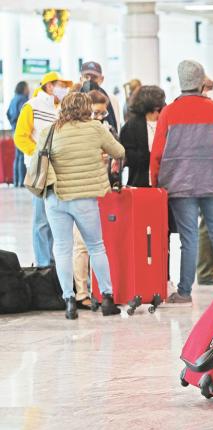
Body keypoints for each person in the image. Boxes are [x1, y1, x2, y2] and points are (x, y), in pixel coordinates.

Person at [150, 60, 213, 304]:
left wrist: (157, 182)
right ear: (201, 82)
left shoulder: (169, 112)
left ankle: (185, 291)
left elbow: (157, 152)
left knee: (188, 238)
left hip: (180, 183)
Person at [37, 92, 125, 319]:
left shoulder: (50, 131)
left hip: (55, 198)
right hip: (85, 199)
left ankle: (69, 300)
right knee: (95, 246)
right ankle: (107, 298)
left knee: (63, 248)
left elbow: (38, 161)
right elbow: (120, 151)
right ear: (87, 108)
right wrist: (99, 154)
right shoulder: (96, 128)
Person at [14, 71, 73, 267]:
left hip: (59, 169)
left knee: (57, 217)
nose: (64, 89)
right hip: (40, 171)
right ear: (49, 86)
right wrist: (39, 154)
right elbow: (20, 137)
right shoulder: (32, 106)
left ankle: (54, 262)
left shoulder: (60, 109)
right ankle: (43, 263)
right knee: (41, 219)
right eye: (60, 85)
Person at [121, 85, 166, 187]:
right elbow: (129, 157)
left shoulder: (166, 122)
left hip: (164, 183)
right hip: (140, 182)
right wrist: (152, 157)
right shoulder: (131, 126)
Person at [80, 61, 120, 133]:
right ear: (81, 79)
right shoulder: (72, 102)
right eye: (86, 77)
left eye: (94, 77)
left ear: (102, 79)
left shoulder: (111, 99)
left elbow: (116, 125)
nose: (89, 80)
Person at [6, 81, 29, 187]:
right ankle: (21, 181)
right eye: (27, 87)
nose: (28, 89)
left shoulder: (13, 99)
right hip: (22, 130)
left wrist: (13, 124)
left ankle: (16, 181)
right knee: (22, 156)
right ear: (23, 88)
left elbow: (7, 113)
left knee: (17, 156)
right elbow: (24, 113)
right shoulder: (23, 99)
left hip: (15, 129)